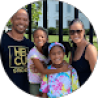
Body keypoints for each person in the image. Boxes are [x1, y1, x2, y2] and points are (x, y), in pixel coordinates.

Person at [0, 9, 34, 94]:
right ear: (11, 19)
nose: (22, 22)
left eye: (25, 20)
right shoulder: (2, 41)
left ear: (28, 22)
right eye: (18, 18)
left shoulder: (30, 45)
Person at [27, 28, 69, 97]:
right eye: (37, 37)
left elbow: (54, 62)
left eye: (42, 37)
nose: (39, 39)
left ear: (47, 39)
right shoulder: (33, 53)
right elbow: (42, 70)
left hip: (47, 81)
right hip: (35, 83)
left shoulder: (49, 51)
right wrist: (62, 70)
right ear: (33, 39)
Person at [69, 19, 97, 87]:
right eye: (72, 32)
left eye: (78, 31)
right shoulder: (73, 50)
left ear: (83, 31)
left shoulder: (90, 49)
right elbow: (69, 70)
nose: (75, 34)